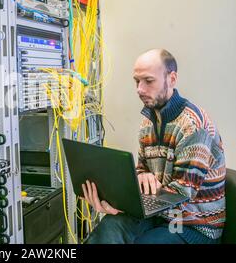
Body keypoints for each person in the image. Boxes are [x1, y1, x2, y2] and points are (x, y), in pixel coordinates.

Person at [82, 49, 226, 244]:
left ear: (172, 78)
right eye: (136, 81)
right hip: (160, 216)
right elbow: (142, 170)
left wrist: (124, 204)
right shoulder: (148, 122)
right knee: (108, 228)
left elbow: (181, 196)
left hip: (194, 226)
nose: (139, 89)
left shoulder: (194, 126)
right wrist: (140, 177)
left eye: (148, 81)